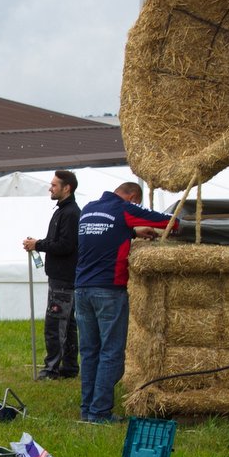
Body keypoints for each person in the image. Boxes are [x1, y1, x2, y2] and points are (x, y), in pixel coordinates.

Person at [75, 182, 178, 424]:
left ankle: (87, 409)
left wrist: (132, 232)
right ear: (132, 197)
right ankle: (100, 413)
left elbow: (104, 235)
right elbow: (166, 220)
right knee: (111, 353)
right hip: (109, 289)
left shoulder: (88, 209)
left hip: (82, 289)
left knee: (90, 352)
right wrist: (182, 223)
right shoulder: (123, 208)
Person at [22, 170, 81, 380]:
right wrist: (39, 243)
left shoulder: (71, 213)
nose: (50, 188)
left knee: (55, 323)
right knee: (68, 323)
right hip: (62, 275)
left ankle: (51, 370)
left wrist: (38, 244)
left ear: (67, 188)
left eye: (55, 185)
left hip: (64, 278)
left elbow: (65, 245)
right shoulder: (63, 211)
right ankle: (70, 367)